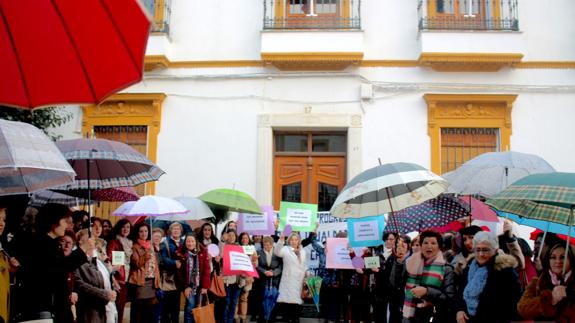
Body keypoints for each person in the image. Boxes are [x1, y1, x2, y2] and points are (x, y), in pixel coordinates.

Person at [17, 203, 91, 323]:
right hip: (41, 313)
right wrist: (82, 250)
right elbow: (59, 268)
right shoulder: (40, 244)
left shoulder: (51, 244)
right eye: (64, 221)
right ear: (53, 221)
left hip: (52, 312)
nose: (67, 225)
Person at [455, 232, 522, 323]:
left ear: (495, 250)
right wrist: (460, 310)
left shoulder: (505, 271)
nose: (481, 254)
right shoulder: (469, 267)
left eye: (485, 250)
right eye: (477, 250)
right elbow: (461, 292)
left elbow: (514, 302)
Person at [400, 230, 455, 323]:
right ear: (421, 245)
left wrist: (427, 291)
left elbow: (449, 298)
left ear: (439, 247)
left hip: (433, 316)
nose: (429, 246)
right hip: (409, 317)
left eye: (433, 243)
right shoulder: (410, 263)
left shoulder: (446, 269)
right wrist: (398, 261)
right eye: (425, 243)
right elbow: (397, 284)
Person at [517, 242, 575, 322]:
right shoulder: (538, 282)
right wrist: (550, 299)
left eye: (563, 257)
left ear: (571, 259)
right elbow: (522, 309)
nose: (557, 261)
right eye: (553, 257)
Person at [73, 229, 118, 323]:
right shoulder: (77, 261)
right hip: (91, 310)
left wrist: (114, 291)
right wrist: (105, 294)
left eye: (93, 239)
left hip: (107, 308)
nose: (92, 242)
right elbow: (80, 285)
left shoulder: (98, 260)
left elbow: (107, 279)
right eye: (88, 239)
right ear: (80, 242)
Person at [128, 222, 160, 323]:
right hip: (141, 282)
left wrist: (157, 279)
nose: (144, 233)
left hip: (151, 282)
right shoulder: (135, 246)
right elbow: (136, 264)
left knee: (149, 311)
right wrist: (145, 256)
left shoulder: (150, 245)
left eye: (146, 231)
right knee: (139, 311)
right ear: (137, 233)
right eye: (141, 231)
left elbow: (155, 265)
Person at [274, 232, 307, 323]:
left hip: (299, 279)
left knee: (297, 299)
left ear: (299, 241)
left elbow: (304, 265)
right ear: (289, 241)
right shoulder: (285, 249)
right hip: (288, 278)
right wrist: (281, 240)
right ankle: (286, 318)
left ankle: (295, 318)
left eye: (296, 240)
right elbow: (277, 252)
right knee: (287, 299)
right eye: (292, 240)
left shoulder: (303, 251)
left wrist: (306, 274)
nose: (294, 241)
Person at [177, 233, 211, 323]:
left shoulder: (202, 253)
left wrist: (205, 287)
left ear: (196, 242)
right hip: (189, 285)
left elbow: (207, 270)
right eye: (188, 241)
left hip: (200, 285)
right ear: (185, 242)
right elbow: (180, 274)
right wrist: (185, 287)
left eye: (192, 241)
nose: (190, 243)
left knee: (198, 306)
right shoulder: (182, 254)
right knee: (190, 305)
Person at [106, 219, 132, 323]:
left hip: (127, 280)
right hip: (117, 281)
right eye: (123, 227)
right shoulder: (114, 242)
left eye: (128, 227)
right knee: (116, 309)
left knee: (121, 308)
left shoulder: (130, 243)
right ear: (119, 228)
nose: (126, 229)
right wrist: (115, 267)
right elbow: (108, 261)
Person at [159, 222, 185, 323]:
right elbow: (163, 258)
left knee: (176, 304)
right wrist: (174, 262)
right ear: (170, 231)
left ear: (181, 231)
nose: (176, 230)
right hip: (168, 277)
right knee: (166, 305)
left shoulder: (184, 242)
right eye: (174, 229)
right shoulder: (165, 242)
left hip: (179, 277)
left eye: (178, 229)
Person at [255, 236, 282, 323]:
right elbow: (257, 265)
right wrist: (264, 271)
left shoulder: (277, 253)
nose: (267, 247)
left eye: (269, 245)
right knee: (262, 299)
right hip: (262, 280)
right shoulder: (258, 252)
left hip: (274, 280)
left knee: (273, 299)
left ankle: (271, 318)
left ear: (272, 244)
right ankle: (262, 318)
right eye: (265, 245)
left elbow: (281, 266)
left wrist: (273, 273)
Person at [385, 234, 411, 323]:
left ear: (408, 245)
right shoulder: (392, 258)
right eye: (397, 245)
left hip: (408, 298)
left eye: (403, 244)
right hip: (394, 297)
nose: (400, 247)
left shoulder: (413, 258)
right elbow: (392, 280)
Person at [220, 229, 241, 323]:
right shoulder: (224, 246)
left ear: (236, 237)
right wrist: (223, 241)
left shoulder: (239, 247)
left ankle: (230, 321)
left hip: (238, 281)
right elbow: (220, 254)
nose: (231, 237)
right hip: (227, 281)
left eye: (233, 235)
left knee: (233, 304)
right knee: (226, 303)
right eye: (229, 235)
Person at [236, 232, 257, 323]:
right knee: (236, 298)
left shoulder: (252, 249)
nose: (245, 240)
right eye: (243, 238)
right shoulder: (237, 248)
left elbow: (256, 265)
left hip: (248, 277)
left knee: (244, 298)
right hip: (237, 276)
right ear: (240, 239)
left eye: (246, 238)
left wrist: (254, 260)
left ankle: (243, 318)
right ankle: (235, 318)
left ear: (249, 239)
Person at [151, 228, 166, 323]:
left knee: (160, 302)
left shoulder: (162, 248)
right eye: (155, 236)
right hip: (152, 280)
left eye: (159, 237)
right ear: (152, 237)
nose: (157, 238)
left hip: (161, 279)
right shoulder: (150, 248)